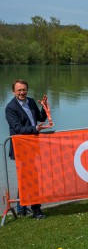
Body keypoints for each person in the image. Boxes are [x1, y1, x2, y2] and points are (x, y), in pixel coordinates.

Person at [5, 79, 51, 219]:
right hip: (20, 147)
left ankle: (21, 208)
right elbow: (18, 128)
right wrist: (35, 129)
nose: (22, 92)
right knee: (29, 177)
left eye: (24, 89)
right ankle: (36, 210)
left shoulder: (30, 101)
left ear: (27, 90)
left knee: (28, 176)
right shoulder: (10, 108)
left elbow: (40, 117)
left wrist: (44, 106)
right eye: (19, 90)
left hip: (32, 145)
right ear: (14, 92)